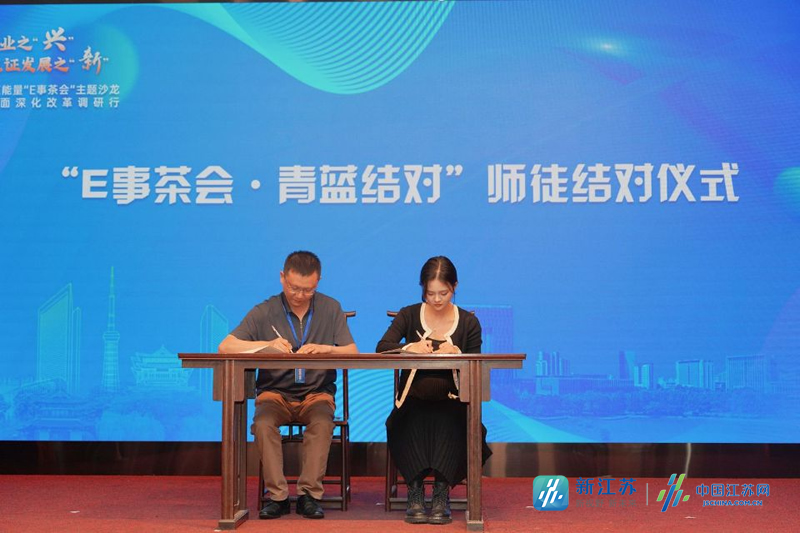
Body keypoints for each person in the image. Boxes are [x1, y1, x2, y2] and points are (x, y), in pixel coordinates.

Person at [218, 251, 358, 520]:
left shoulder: (330, 308)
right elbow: (225, 346)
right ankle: (278, 497)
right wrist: (266, 345)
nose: (300, 295)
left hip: (317, 394)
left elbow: (352, 351)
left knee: (322, 423)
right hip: (275, 394)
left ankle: (309, 496)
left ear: (318, 282)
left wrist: (327, 349)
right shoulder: (265, 311)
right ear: (282, 278)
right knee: (263, 424)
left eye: (308, 290)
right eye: (294, 288)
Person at [376, 256, 491, 525]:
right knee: (408, 419)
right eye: (430, 293)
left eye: (444, 293)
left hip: (453, 403)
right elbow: (382, 347)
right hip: (413, 401)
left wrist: (458, 354)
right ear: (422, 289)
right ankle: (415, 491)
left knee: (453, 420)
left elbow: (477, 367)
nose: (437, 299)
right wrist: (409, 348)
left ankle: (441, 493)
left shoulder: (468, 323)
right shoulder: (408, 314)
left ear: (455, 287)